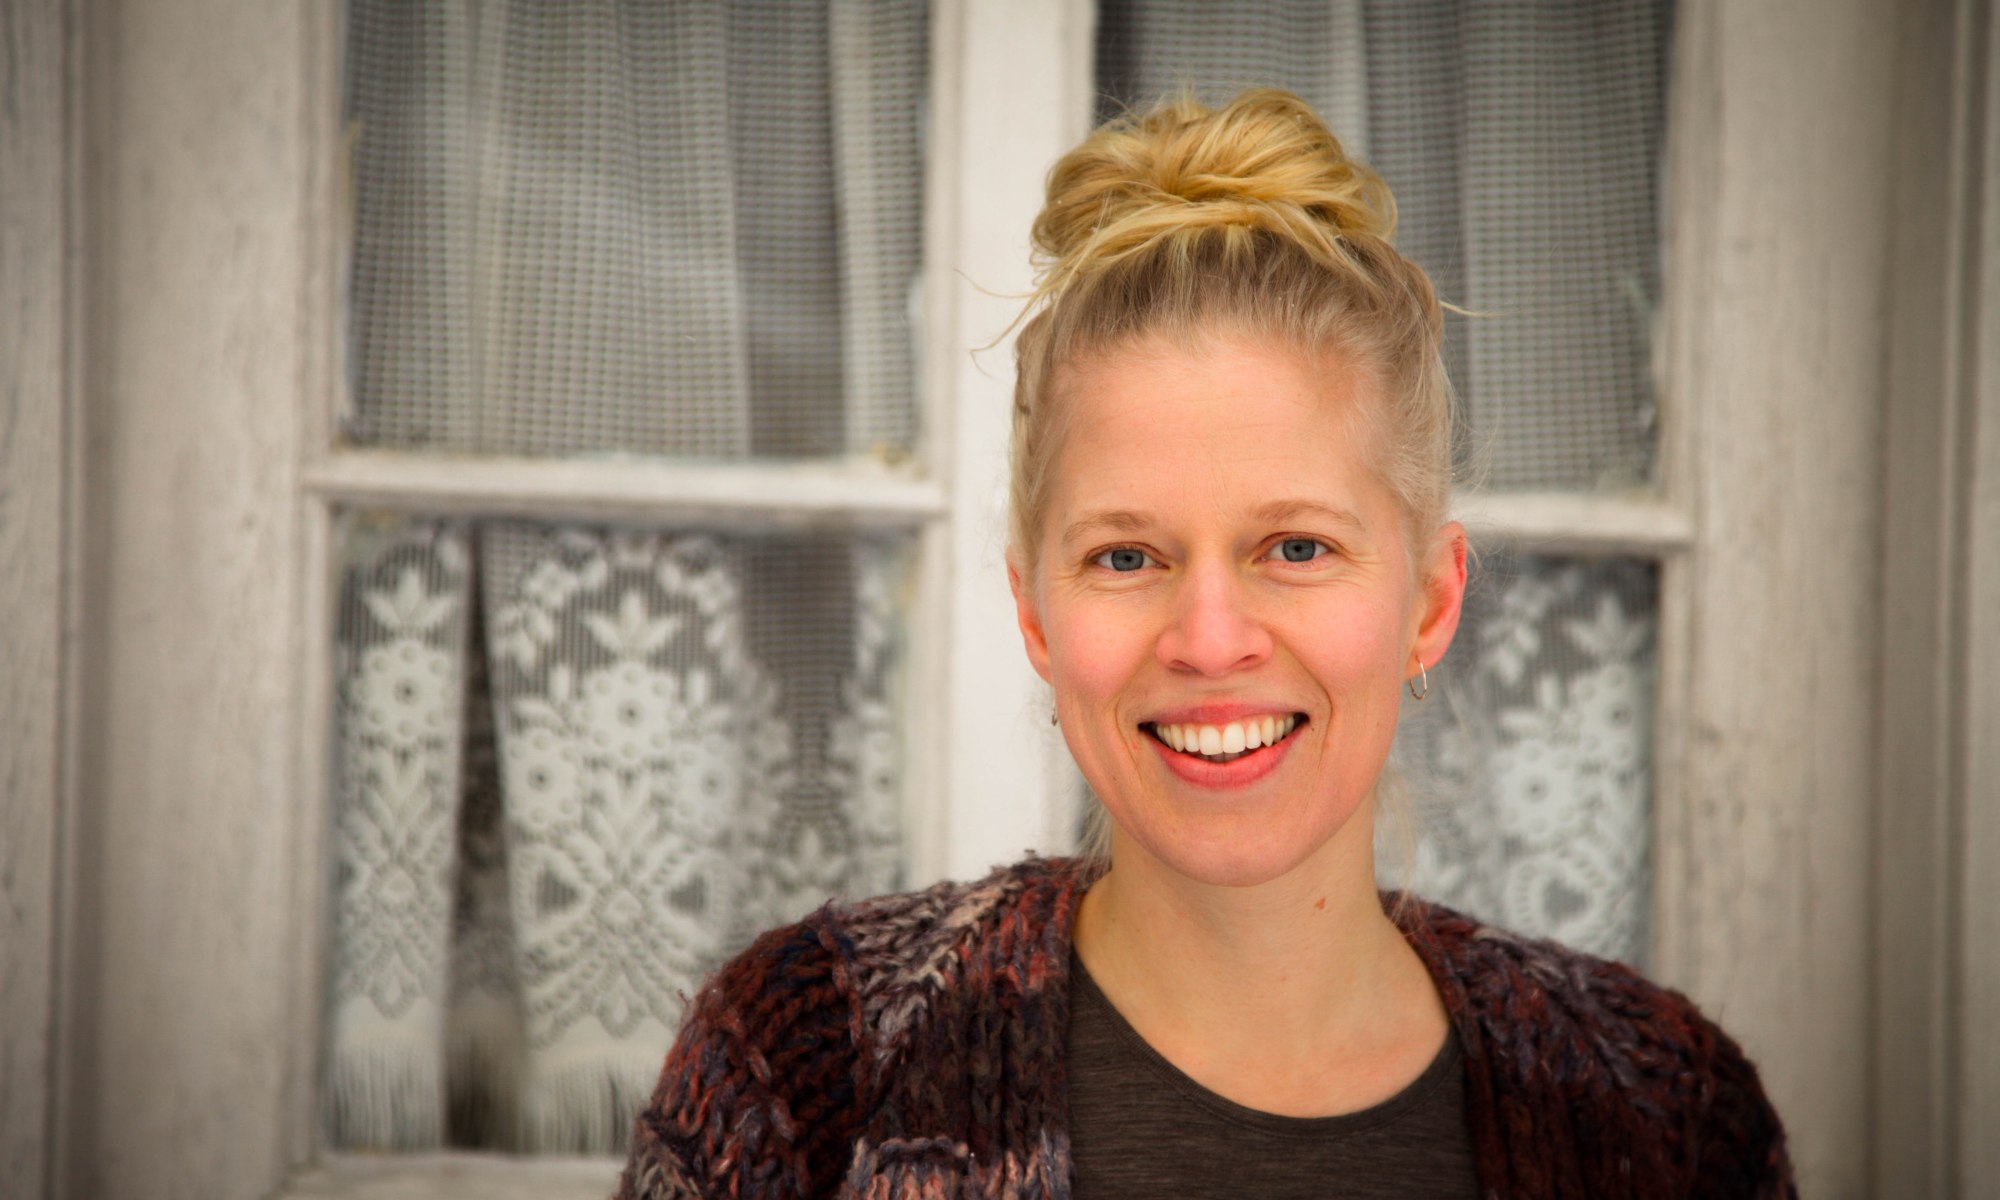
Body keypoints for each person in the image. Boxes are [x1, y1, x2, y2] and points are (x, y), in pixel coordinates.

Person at [614, 89, 1793, 1200]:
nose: (1209, 640)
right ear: (1034, 613)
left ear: (1431, 604)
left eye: (1295, 547)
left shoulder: (1669, 1118)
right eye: (1125, 557)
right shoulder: (802, 1064)